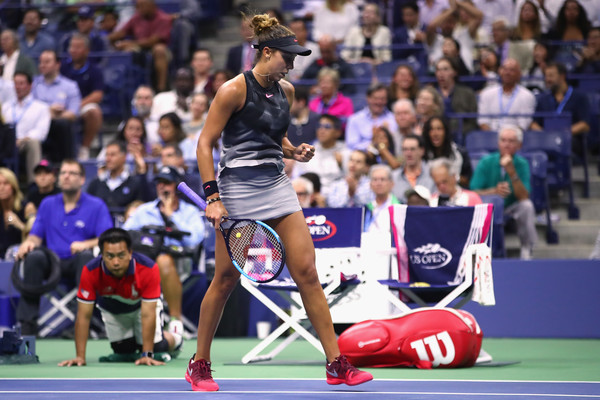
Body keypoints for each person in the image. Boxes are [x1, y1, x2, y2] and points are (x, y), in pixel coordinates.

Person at [191, 14, 373, 391]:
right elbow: (204, 143)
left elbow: (275, 137)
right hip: (237, 189)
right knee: (225, 280)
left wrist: (294, 150)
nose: (292, 64)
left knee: (307, 272)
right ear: (266, 52)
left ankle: (336, 364)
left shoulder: (287, 91)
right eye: (286, 57)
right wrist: (213, 197)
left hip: (277, 185)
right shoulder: (232, 90)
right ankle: (200, 364)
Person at [15, 159, 113, 335]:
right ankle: (27, 325)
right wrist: (28, 243)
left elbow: (107, 239)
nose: (66, 177)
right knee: (34, 257)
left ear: (82, 179)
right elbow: (35, 237)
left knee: (87, 259)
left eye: (72, 173)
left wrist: (86, 244)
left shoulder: (96, 205)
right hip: (52, 262)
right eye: (63, 173)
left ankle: (82, 324)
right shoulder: (47, 204)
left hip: (79, 261)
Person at [58, 228, 182, 367]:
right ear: (102, 255)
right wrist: (80, 357)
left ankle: (176, 335)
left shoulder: (148, 268)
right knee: (123, 351)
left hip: (141, 307)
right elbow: (83, 316)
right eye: (110, 256)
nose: (116, 262)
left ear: (130, 253)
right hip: (113, 310)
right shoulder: (90, 271)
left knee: (157, 347)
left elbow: (148, 314)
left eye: (121, 255)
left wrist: (147, 354)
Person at [123, 165, 205, 335]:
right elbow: (125, 235)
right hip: (144, 262)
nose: (162, 187)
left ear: (175, 186)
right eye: (159, 183)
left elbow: (194, 240)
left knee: (164, 260)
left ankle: (175, 320)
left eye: (166, 183)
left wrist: (170, 216)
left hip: (180, 262)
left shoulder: (189, 212)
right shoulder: (144, 210)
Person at [470, 125, 537, 260]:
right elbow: (473, 192)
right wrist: (494, 191)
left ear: (519, 145)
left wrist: (511, 171)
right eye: (503, 140)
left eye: (511, 141)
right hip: (489, 209)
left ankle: (526, 248)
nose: (507, 144)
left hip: (511, 207)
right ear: (498, 143)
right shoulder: (486, 162)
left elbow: (524, 196)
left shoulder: (522, 164)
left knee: (527, 206)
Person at [107, 0, 172, 92]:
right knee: (126, 50)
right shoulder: (136, 17)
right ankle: (125, 89)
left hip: (159, 49)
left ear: (151, 5)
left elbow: (153, 41)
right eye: (137, 6)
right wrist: (105, 38)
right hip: (140, 48)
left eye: (141, 6)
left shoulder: (164, 18)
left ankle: (161, 88)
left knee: (159, 50)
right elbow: (122, 33)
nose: (138, 9)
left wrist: (131, 43)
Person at [531, 62, 591, 158]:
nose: (547, 79)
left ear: (562, 76)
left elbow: (584, 125)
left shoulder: (579, 97)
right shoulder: (543, 99)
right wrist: (544, 134)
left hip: (570, 139)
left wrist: (563, 133)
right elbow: (533, 123)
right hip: (546, 138)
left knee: (562, 144)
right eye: (546, 76)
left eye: (551, 76)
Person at [31, 50, 81, 163]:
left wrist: (51, 115)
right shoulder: (33, 85)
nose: (42, 65)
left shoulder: (70, 86)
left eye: (47, 62)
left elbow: (73, 114)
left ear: (57, 64)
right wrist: (49, 110)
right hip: (36, 125)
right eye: (41, 62)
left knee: (62, 124)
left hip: (59, 126)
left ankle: (66, 163)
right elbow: (29, 109)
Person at [1, 71, 50, 184]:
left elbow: (41, 132)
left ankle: (34, 183)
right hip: (6, 144)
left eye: (22, 83)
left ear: (30, 85)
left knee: (33, 143)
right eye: (16, 83)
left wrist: (21, 139)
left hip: (24, 143)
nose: (18, 87)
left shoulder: (41, 107)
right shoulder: (6, 107)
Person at [60, 34, 104, 160]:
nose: (73, 50)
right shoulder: (63, 67)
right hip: (62, 105)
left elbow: (98, 94)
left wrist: (77, 104)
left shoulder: (94, 70)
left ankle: (84, 149)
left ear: (87, 50)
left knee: (94, 112)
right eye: (71, 47)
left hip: (81, 106)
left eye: (77, 47)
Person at [87, 140, 150, 222]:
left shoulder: (134, 183)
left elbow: (141, 206)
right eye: (107, 155)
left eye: (112, 155)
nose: (108, 159)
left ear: (124, 157)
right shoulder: (96, 183)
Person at [295, 114, 350, 197]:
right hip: (311, 197)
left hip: (337, 197)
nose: (322, 130)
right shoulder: (308, 151)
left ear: (338, 132)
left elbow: (350, 180)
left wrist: (342, 166)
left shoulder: (346, 153)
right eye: (319, 126)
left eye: (327, 127)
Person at [477, 58, 536, 132]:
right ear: (499, 71)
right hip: (489, 136)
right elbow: (483, 121)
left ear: (519, 74)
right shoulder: (487, 94)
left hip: (514, 139)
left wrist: (507, 138)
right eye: (504, 69)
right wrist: (493, 136)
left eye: (512, 70)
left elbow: (523, 124)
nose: (507, 72)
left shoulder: (527, 96)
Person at [422, 116, 472, 188]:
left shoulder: (460, 153)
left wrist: (451, 177)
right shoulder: (422, 154)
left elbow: (468, 180)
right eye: (431, 129)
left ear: (446, 131)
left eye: (439, 129)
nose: (435, 133)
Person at [434, 56, 478, 136]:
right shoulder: (431, 94)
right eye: (438, 70)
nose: (441, 73)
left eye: (445, 69)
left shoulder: (467, 93)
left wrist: (458, 132)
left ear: (454, 72)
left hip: (462, 135)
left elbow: (472, 122)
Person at [346, 83, 397, 151]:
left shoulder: (394, 118)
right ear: (368, 98)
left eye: (382, 99)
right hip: (363, 158)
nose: (379, 102)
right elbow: (351, 145)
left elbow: (398, 143)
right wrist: (373, 144)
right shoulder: (355, 119)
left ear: (387, 100)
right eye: (376, 98)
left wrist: (387, 135)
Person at [391, 134, 436, 203]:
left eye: (412, 149)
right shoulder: (393, 177)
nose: (408, 153)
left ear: (422, 151)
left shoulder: (433, 174)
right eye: (405, 149)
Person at [363, 164, 399, 233]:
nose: (378, 183)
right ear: (370, 184)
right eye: (375, 180)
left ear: (391, 184)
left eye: (382, 179)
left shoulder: (399, 207)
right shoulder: (365, 209)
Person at [0, 168, 26, 260]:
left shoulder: (26, 207)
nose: (1, 187)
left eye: (6, 183)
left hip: (19, 256)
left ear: (13, 186)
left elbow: (34, 237)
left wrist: (19, 224)